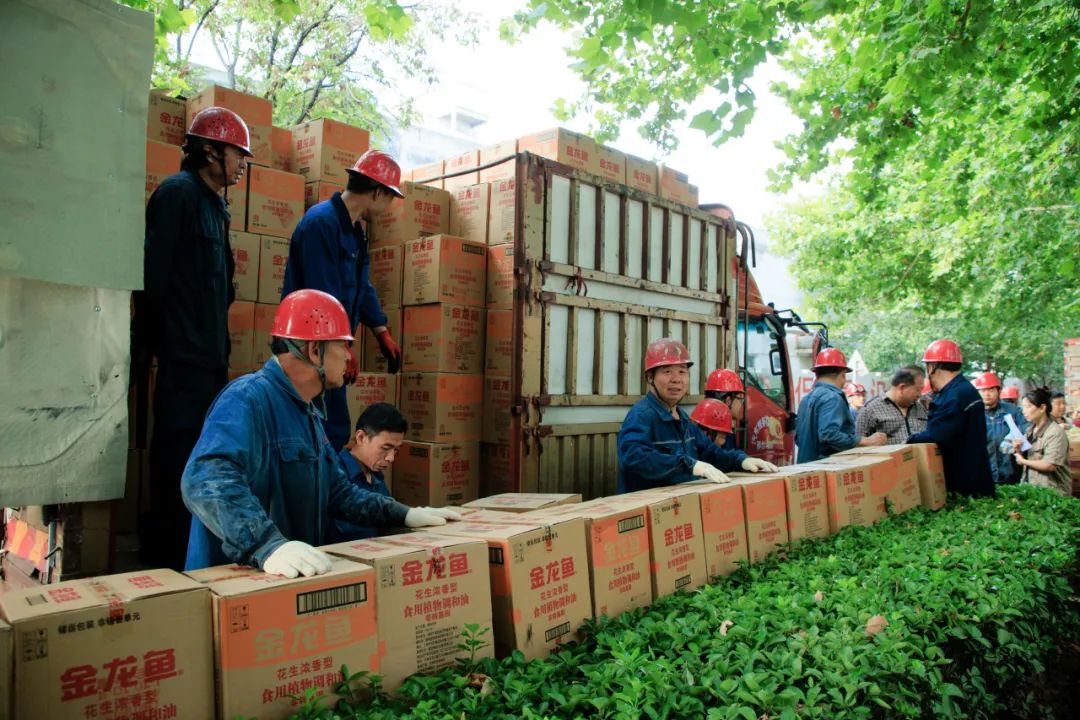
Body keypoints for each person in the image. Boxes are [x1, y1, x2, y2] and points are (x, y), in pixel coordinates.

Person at [182, 289, 460, 576]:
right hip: (231, 584)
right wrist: (266, 545)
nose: (349, 357)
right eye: (344, 346)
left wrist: (405, 514)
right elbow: (205, 479)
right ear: (315, 350)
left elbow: (339, 493)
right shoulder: (248, 399)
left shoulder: (308, 413)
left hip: (282, 582)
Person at [133, 106, 252, 570]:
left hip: (208, 360)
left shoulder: (215, 206)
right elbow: (153, 279)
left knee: (204, 460)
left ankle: (193, 557)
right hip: (182, 361)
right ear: (209, 152)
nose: (241, 164)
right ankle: (163, 562)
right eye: (236, 154)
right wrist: (149, 345)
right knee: (176, 460)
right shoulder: (177, 195)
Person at [281, 150, 406, 449]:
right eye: (390, 198)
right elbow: (321, 295)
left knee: (333, 429)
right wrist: (342, 347)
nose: (388, 207)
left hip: (331, 348)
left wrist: (380, 330)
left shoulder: (354, 231)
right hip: (310, 350)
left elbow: (361, 284)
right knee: (320, 430)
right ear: (377, 193)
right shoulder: (321, 224)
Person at [616, 338, 777, 493]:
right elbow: (634, 457)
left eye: (682, 371)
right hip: (652, 506)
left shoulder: (682, 418)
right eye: (667, 371)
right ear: (650, 377)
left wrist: (740, 460)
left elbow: (710, 452)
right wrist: (689, 465)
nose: (676, 379)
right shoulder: (641, 415)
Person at [908, 339, 995, 497]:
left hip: (963, 486)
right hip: (976, 479)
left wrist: (910, 440)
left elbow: (937, 436)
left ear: (932, 367)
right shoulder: (964, 390)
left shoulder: (954, 396)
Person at [326, 403, 405, 543]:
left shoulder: (377, 479)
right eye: (385, 448)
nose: (391, 458)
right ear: (361, 437)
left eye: (396, 450)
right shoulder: (333, 475)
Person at [795, 348, 886, 463]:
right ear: (843, 374)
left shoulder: (806, 399)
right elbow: (829, 434)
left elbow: (798, 438)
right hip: (825, 467)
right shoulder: (832, 398)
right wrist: (866, 441)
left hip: (803, 467)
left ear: (817, 374)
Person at [1013, 387, 1071, 496]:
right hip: (1034, 490)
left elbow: (1050, 465)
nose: (1024, 411)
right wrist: (1018, 450)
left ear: (1042, 408)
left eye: (1028, 407)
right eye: (1023, 407)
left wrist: (1023, 461)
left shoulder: (1055, 433)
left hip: (1054, 493)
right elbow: (1025, 457)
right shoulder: (1030, 430)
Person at [974, 371, 1027, 485]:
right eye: (983, 391)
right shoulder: (973, 415)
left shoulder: (1013, 411)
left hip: (1011, 473)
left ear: (998, 391)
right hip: (985, 475)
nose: (987, 394)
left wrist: (1017, 438)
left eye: (991, 390)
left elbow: (1026, 427)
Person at [855, 366, 928, 444]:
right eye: (918, 390)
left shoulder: (920, 407)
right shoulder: (869, 410)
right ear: (902, 387)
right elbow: (859, 445)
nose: (920, 394)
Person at [703, 368, 744, 449]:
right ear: (728, 400)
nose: (742, 404)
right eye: (740, 399)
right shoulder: (722, 435)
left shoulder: (700, 426)